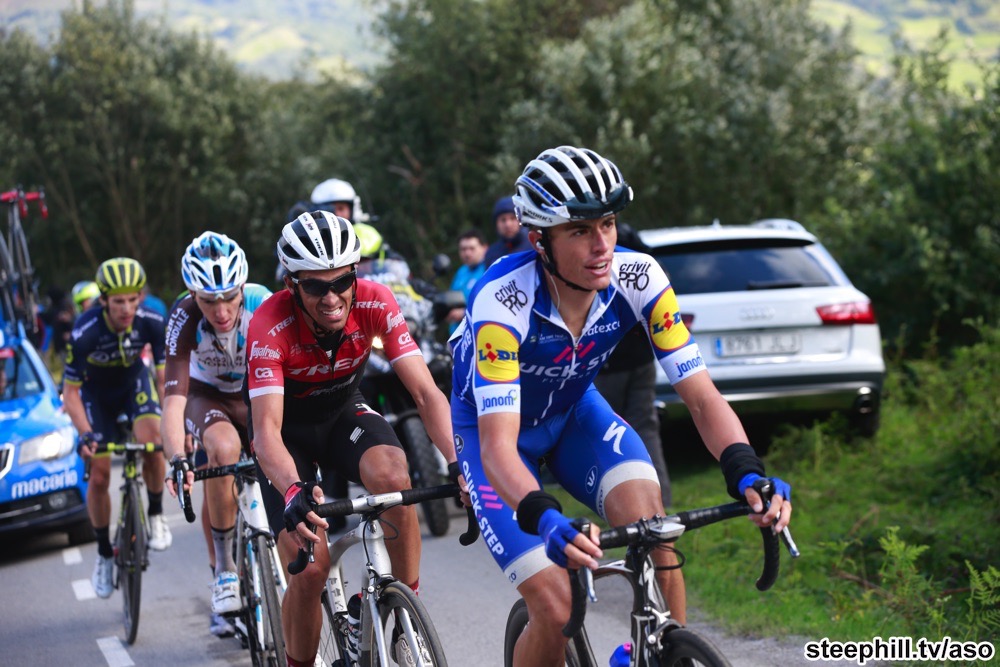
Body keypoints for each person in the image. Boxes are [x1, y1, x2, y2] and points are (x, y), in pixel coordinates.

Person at [449, 146, 793, 666]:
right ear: (540, 241)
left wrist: (746, 469)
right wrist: (545, 517)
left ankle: (658, 653)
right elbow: (498, 447)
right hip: (491, 435)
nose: (602, 245)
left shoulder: (640, 278)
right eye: (580, 231)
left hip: (574, 412)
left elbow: (702, 398)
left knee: (655, 530)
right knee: (557, 606)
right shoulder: (503, 299)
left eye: (607, 224)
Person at [245, 210, 460, 667]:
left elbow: (426, 393)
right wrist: (292, 491)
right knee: (311, 571)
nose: (332, 297)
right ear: (291, 284)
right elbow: (265, 432)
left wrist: (459, 463)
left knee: (394, 477)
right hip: (286, 436)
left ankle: (404, 621)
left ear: (355, 274)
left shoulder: (376, 301)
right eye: (315, 286)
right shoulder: (269, 325)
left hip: (342, 413)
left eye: (342, 281)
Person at [162, 232, 272, 630]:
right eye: (209, 301)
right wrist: (176, 456)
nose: (221, 310)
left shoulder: (262, 302)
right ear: (194, 294)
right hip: (206, 396)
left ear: (242, 287)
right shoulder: (183, 316)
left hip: (255, 391)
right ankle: (224, 570)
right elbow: (173, 400)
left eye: (229, 297)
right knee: (223, 451)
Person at [63, 257, 171, 600]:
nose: (126, 309)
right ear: (104, 300)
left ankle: (155, 513)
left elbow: (163, 380)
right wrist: (85, 434)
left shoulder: (152, 320)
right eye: (118, 301)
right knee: (98, 476)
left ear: (140, 297)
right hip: (95, 396)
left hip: (133, 386)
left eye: (132, 300)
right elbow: (70, 394)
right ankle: (103, 554)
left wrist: (172, 424)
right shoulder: (85, 331)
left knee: (154, 442)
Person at [592, 222, 671, 508]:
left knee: (607, 433)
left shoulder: (600, 269)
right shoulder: (647, 264)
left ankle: (624, 504)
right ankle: (661, 498)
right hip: (642, 360)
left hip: (610, 365)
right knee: (645, 427)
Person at [446, 228, 488, 334]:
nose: (467, 253)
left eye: (472, 248)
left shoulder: (489, 269)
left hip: (479, 333)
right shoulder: (461, 271)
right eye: (463, 249)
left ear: (484, 248)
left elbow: (491, 303)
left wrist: (463, 313)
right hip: (458, 335)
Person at [484, 195, 533, 267]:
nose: (508, 224)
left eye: (512, 218)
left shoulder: (533, 247)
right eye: (503, 220)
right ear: (496, 224)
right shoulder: (491, 253)